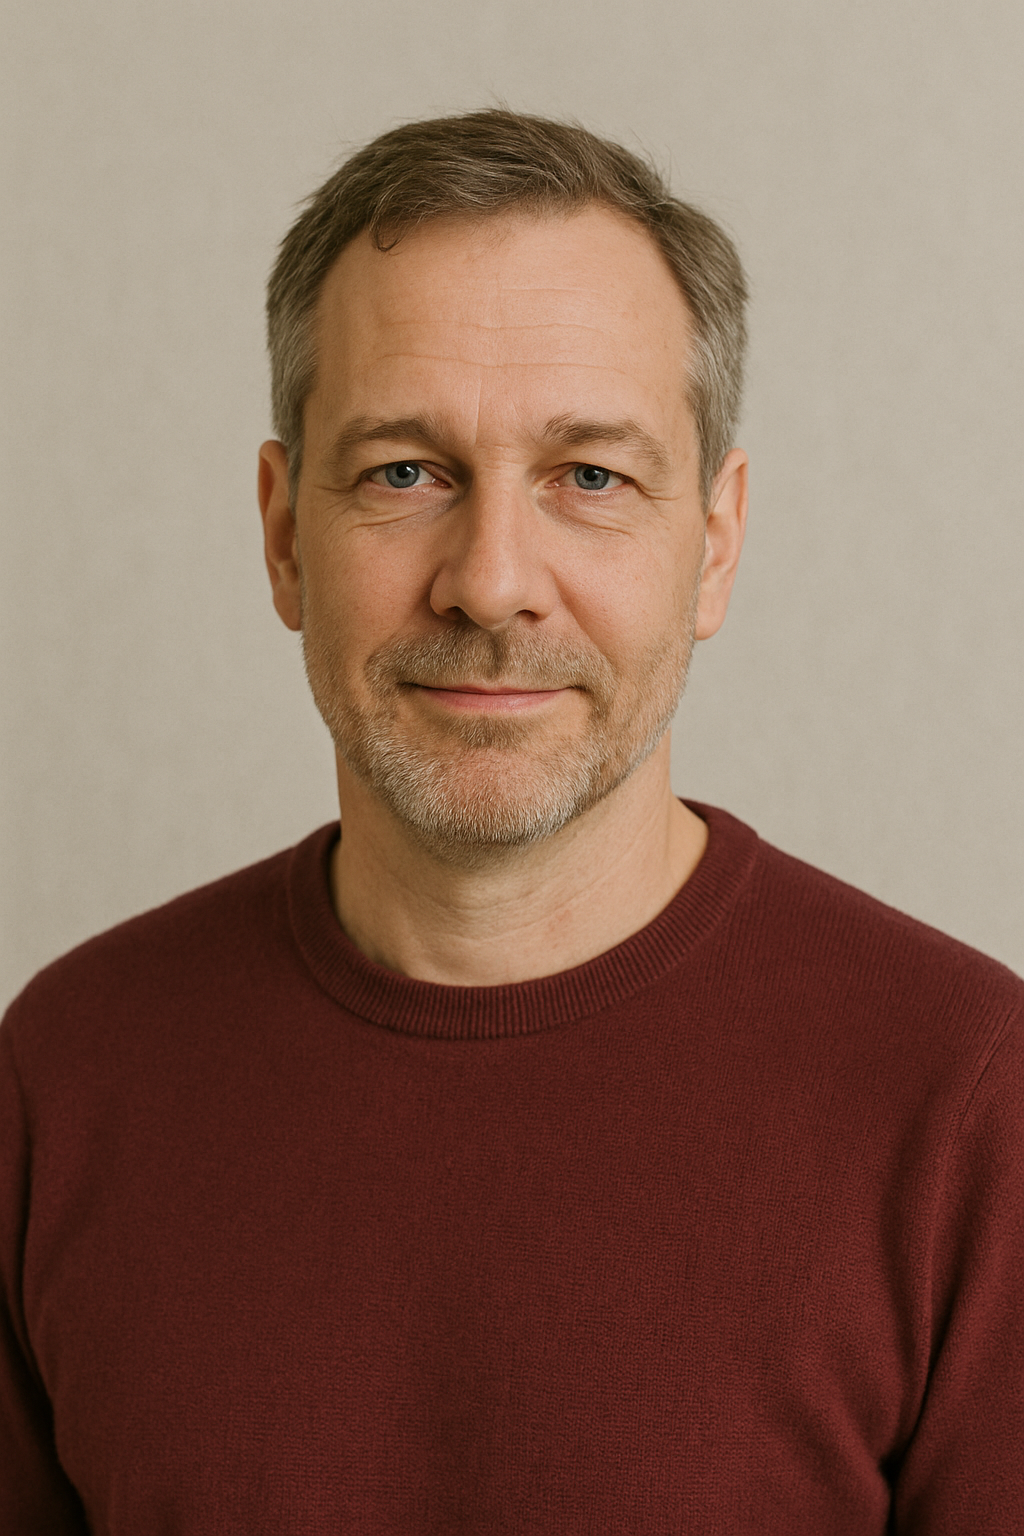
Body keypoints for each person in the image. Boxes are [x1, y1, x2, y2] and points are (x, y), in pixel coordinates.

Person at [1, 108, 1022, 1534]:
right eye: (403, 472)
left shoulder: (972, 1104)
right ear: (285, 532)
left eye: (590, 477)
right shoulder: (65, 1073)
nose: (491, 583)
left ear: (714, 544)